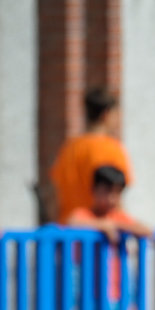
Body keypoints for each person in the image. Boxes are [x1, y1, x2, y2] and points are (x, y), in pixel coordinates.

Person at [65, 165, 154, 310]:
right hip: (91, 294)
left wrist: (117, 226)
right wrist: (102, 226)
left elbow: (146, 230)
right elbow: (71, 222)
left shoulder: (118, 217)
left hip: (117, 293)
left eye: (117, 193)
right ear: (93, 190)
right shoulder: (85, 214)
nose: (112, 199)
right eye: (107, 192)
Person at [45, 87, 134, 224]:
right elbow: (116, 199)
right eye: (116, 115)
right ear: (106, 114)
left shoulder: (68, 148)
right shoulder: (112, 149)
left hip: (67, 230)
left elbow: (54, 196)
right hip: (97, 230)